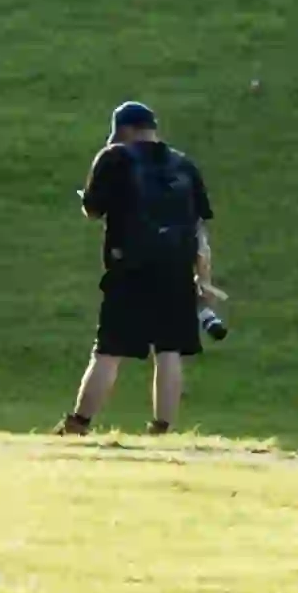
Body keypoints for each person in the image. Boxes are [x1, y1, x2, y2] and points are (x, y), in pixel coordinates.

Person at [67, 99, 219, 436]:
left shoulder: (114, 158)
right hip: (177, 269)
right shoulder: (184, 165)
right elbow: (199, 231)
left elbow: (92, 210)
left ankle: (79, 424)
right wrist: (204, 280)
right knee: (169, 349)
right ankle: (161, 428)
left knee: (109, 349)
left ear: (124, 130)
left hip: (129, 268)